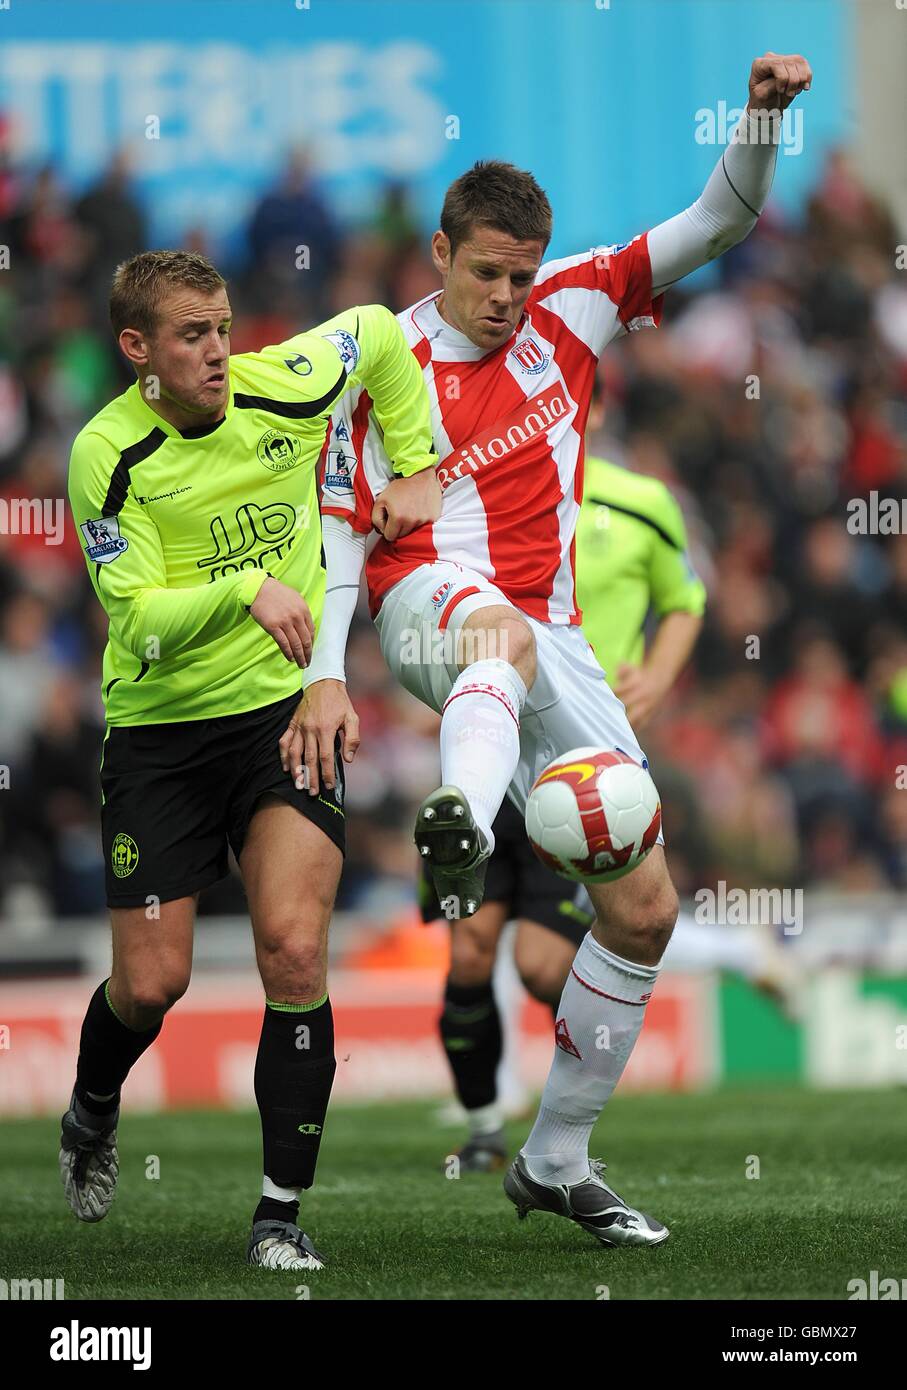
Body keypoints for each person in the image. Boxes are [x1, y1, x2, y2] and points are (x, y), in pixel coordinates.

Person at [284, 53, 812, 1248]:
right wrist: (326, 666)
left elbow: (721, 217)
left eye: (521, 274)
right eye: (485, 272)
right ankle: (462, 819)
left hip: (554, 640)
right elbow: (333, 534)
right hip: (430, 610)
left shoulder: (574, 304)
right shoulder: (372, 368)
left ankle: (555, 1157)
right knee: (496, 635)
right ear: (438, 254)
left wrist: (759, 118)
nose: (507, 295)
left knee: (643, 905)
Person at [61, 249, 440, 1273]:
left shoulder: (284, 381)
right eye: (193, 336)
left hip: (284, 722)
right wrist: (244, 592)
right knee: (152, 983)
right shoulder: (108, 453)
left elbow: (383, 332)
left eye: (223, 327)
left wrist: (417, 458)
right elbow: (133, 622)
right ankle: (93, 1107)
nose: (220, 351)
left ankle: (280, 1212)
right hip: (159, 739)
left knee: (290, 950)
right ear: (137, 350)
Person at [417, 377, 706, 1171]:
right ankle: (483, 1129)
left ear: (595, 408)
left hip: (576, 766)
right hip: (488, 745)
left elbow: (685, 600)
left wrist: (659, 671)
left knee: (540, 963)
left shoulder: (644, 502)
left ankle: (568, 1118)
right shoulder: (477, 494)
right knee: (469, 949)